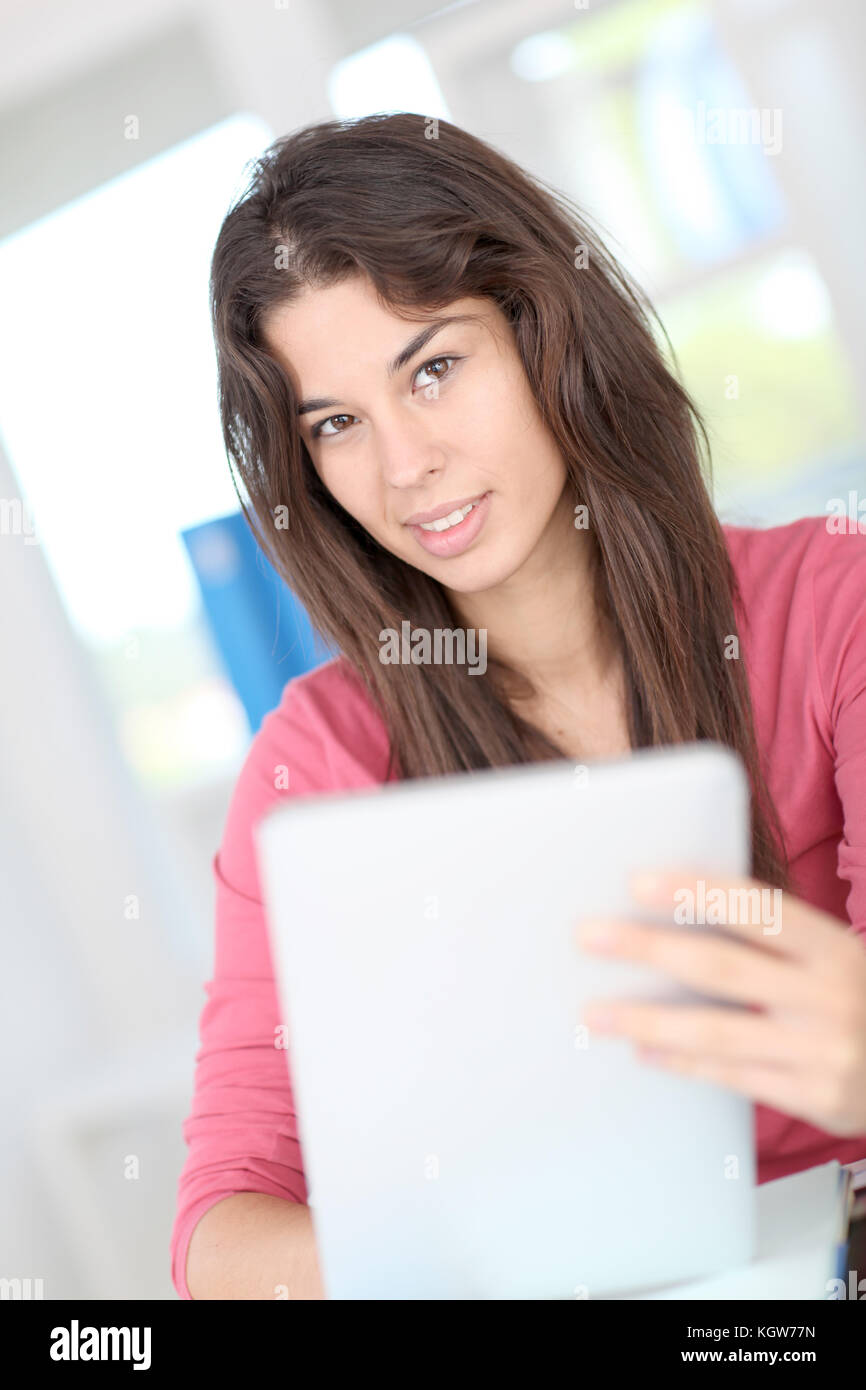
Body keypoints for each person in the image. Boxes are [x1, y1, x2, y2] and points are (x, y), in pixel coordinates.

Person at [171, 112, 866, 1299]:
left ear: (543, 334)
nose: (401, 466)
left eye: (432, 368)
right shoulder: (314, 761)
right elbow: (219, 1235)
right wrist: (457, 1249)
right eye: (334, 423)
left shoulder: (832, 606)